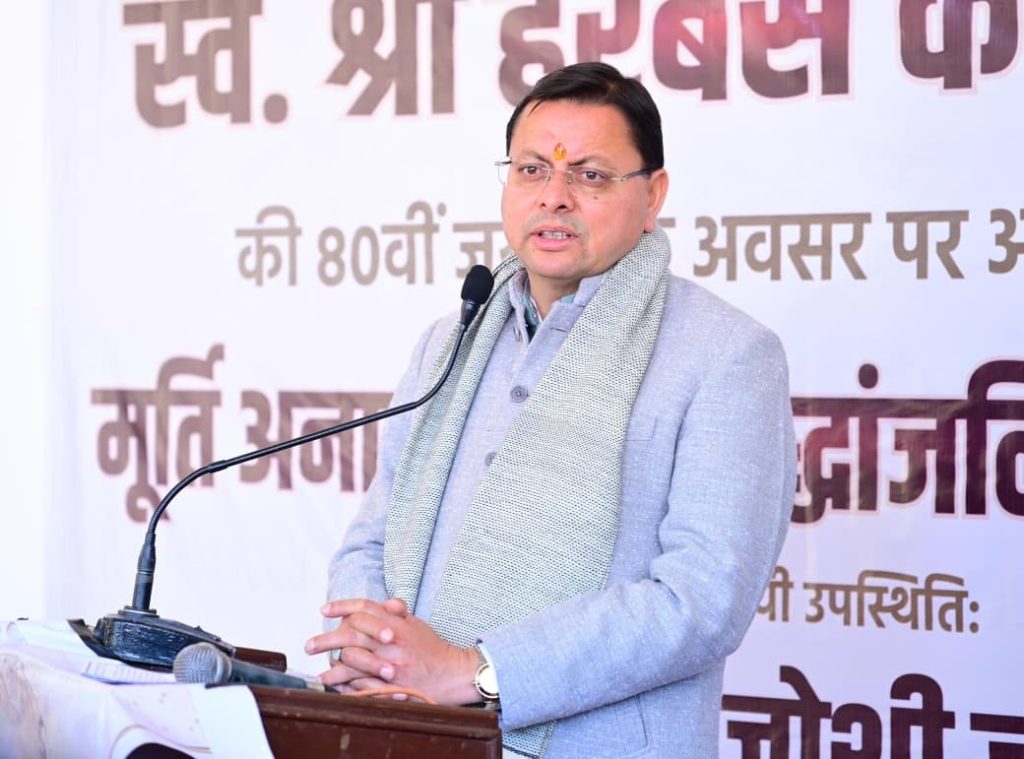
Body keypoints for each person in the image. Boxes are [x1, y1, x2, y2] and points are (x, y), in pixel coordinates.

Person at [305, 61, 796, 758]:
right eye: (532, 169)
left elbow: (700, 599)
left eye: (590, 175)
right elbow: (370, 541)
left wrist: (475, 672)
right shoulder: (449, 341)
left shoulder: (726, 355)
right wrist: (380, 657)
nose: (554, 197)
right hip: (408, 736)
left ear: (653, 195)